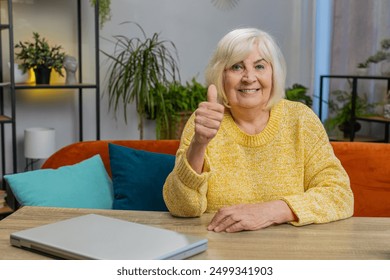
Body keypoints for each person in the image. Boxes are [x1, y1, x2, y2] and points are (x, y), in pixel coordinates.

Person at [163, 27, 354, 233]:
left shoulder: (300, 119)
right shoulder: (205, 121)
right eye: (236, 67)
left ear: (274, 73)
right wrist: (199, 144)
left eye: (260, 66)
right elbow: (182, 207)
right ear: (221, 76)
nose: (249, 77)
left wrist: (271, 211)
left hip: (290, 251)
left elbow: (340, 195)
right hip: (222, 250)